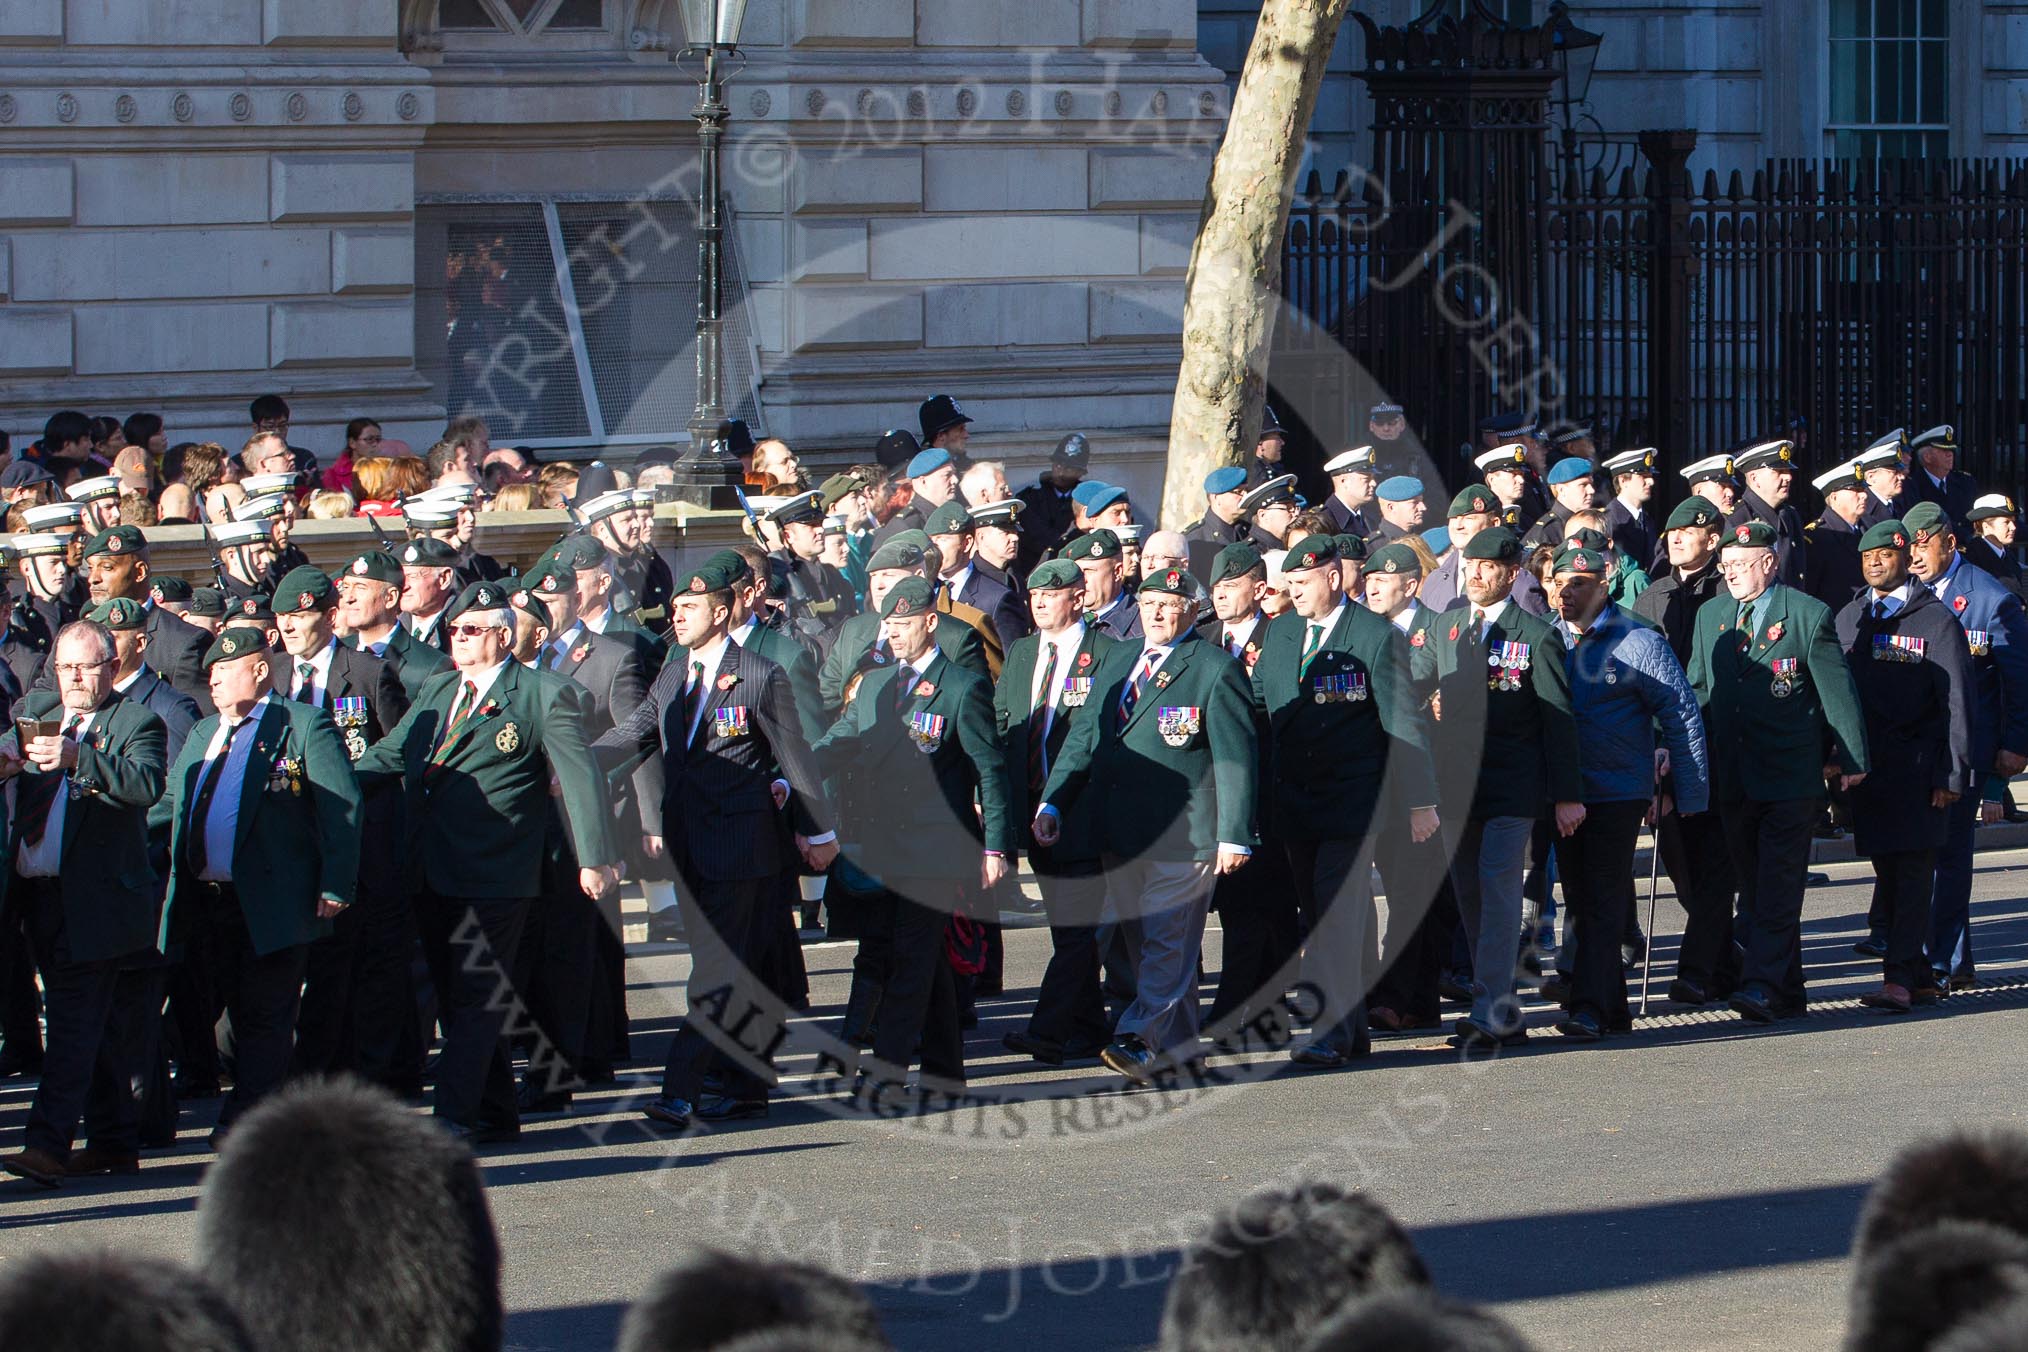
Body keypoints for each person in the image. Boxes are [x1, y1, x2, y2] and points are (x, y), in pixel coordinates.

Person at [351, 580, 619, 1143]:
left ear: (502, 635)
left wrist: (594, 857)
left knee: (476, 994)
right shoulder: (440, 689)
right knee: (455, 995)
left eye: (471, 630)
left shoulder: (541, 693)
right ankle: (496, 1113)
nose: (459, 638)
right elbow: (392, 754)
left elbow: (579, 776)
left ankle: (450, 1118)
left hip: (499, 871)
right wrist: (329, 785)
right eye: (454, 630)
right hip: (430, 868)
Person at [601, 557, 834, 1130]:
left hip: (742, 845)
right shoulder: (674, 672)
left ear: (723, 611)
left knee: (712, 968)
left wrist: (820, 830)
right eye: (676, 607)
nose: (677, 616)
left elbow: (794, 756)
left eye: (690, 608)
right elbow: (634, 734)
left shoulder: (758, 674)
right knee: (740, 968)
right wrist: (573, 762)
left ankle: (679, 1089)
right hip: (690, 843)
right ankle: (748, 1087)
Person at [1037, 565, 1257, 1082]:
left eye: (1169, 604)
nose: (1157, 612)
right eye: (1150, 602)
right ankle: (1178, 1055)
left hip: (1186, 836)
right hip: (1120, 834)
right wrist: (1053, 802)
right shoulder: (1117, 663)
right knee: (1147, 946)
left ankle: (1136, 1036)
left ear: (1189, 610)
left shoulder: (1212, 668)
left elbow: (1237, 758)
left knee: (1166, 941)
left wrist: (1235, 833)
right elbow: (1083, 738)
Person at [158, 626, 362, 1144]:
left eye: (224, 670)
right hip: (209, 900)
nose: (215, 680)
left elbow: (341, 805)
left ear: (259, 669)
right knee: (231, 1016)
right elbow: (172, 805)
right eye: (210, 672)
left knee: (268, 1013)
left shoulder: (301, 724)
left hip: (276, 899)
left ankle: (246, 1123)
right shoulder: (206, 733)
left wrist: (337, 881)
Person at [814, 576, 1011, 1098]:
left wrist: (996, 846)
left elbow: (989, 770)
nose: (892, 633)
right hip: (883, 845)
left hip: (935, 851)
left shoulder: (962, 686)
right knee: (918, 961)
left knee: (911, 959)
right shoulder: (877, 684)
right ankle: (947, 1073)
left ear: (929, 623)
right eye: (887, 623)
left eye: (902, 623)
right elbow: (841, 740)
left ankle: (888, 1074)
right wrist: (793, 770)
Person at [1251, 535, 1440, 1068]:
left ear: (1333, 578)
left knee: (1335, 916)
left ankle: (1330, 1029)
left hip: (1354, 802)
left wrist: (1420, 800)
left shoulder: (1375, 635)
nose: (1296, 592)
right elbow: (1261, 704)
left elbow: (1402, 722)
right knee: (1320, 917)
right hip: (1295, 800)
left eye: (1304, 583)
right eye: (1289, 584)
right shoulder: (1282, 629)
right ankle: (1352, 1030)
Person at [0, 621, 167, 1187]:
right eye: (66, 666)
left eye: (87, 666)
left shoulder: (135, 721)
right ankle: (115, 1142)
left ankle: (46, 1145)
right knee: (91, 1027)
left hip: (94, 903)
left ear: (111, 666)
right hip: (35, 894)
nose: (74, 678)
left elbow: (146, 785)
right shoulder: (36, 706)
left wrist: (78, 759)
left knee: (70, 1027)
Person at [1688, 520, 1869, 1023]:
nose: (1731, 576)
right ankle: (1789, 991)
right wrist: (1675, 750)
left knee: (1777, 884)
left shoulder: (1807, 615)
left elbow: (1837, 693)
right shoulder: (1712, 616)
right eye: (1725, 568)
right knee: (1754, 883)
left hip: (1790, 774)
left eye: (1741, 566)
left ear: (1769, 563)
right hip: (1735, 774)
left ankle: (1762, 985)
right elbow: (1698, 689)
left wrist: (1851, 758)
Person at [1418, 527, 1583, 1048]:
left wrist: (1567, 794)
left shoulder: (1535, 635)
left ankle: (1490, 1010)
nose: (1476, 574)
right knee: (1469, 895)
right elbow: (1410, 682)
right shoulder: (1444, 628)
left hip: (1512, 788)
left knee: (1498, 891)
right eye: (1470, 565)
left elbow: (1558, 719)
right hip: (1455, 786)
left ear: (1512, 575)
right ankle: (1503, 1011)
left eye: (1488, 567)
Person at [1544, 542, 1708, 1040]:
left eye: (1578, 584)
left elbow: (1680, 714)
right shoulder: (1548, 639)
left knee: (1600, 894)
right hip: (1566, 788)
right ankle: (1611, 1008)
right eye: (1558, 583)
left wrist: (1689, 791)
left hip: (1618, 789)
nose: (1565, 593)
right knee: (1578, 894)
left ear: (1604, 584)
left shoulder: (1638, 639)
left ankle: (1589, 1005)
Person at [267, 567, 415, 1092]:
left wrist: (341, 776)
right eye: (283, 616)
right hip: (288, 843)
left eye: (301, 616)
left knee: (356, 969)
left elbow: (401, 750)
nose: (289, 626)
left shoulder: (368, 672)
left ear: (330, 617)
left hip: (358, 845)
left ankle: (360, 1079)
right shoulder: (272, 669)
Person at [1832, 517, 1972, 1014]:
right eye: (1866, 556)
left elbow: (1956, 701)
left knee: (1912, 875)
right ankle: (1918, 976)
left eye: (1884, 555)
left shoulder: (1936, 620)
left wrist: (1952, 775)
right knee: (1889, 875)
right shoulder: (1849, 618)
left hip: (1919, 771)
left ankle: (1897, 979)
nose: (1874, 562)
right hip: (1870, 773)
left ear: (1904, 559)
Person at [1899, 501, 2028, 992]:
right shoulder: (1906, 593)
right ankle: (1954, 960)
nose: (1913, 556)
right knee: (1921, 853)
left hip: (1969, 749)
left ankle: (1944, 964)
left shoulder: (1990, 598)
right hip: (1916, 751)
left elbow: (2018, 682)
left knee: (1948, 854)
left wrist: (2015, 748)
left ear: (1950, 542)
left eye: (1923, 544)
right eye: (1907, 546)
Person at [996, 560, 1120, 1066]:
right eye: (1034, 595)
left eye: (1053, 593)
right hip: (1032, 807)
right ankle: (1089, 1030)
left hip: (1083, 812)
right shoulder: (1024, 652)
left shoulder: (1108, 653)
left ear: (1079, 597)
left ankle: (1048, 1032)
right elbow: (1005, 725)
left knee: (1075, 930)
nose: (1041, 602)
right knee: (1067, 927)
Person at [1632, 497, 1738, 1005]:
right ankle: (1729, 963)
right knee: (1682, 868)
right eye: (1670, 532)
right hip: (1664, 745)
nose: (1675, 539)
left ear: (1713, 539)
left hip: (1716, 744)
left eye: (1687, 532)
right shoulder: (1654, 598)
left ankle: (1697, 970)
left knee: (1716, 862)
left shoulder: (1731, 590)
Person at [79, 524, 212, 713]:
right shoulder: (76, 637)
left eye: (106, 567)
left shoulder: (184, 642)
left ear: (139, 572)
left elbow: (194, 725)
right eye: (91, 568)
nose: (93, 578)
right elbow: (43, 698)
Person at [1418, 485, 1550, 617]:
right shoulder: (1434, 581)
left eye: (1469, 518)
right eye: (1454, 518)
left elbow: (1537, 632)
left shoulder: (1520, 583)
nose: (1458, 526)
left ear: (1494, 523)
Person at [337, 548, 452, 698]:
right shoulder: (338, 651)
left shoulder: (431, 666)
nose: (348, 598)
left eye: (360, 588)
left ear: (390, 598)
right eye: (345, 588)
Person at [929, 500, 1024, 648]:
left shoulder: (996, 597)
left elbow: (1011, 661)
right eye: (931, 541)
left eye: (942, 539)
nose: (933, 548)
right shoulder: (925, 590)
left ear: (967, 543)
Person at [767, 491, 856, 641]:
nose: (821, 530)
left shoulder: (831, 573)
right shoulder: (776, 576)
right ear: (788, 536)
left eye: (820, 523)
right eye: (811, 525)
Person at [1727, 438, 1807, 589]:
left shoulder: (1790, 515)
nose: (1788, 477)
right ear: (1754, 478)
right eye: (1779, 471)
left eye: (1788, 470)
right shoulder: (1736, 519)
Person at [1015, 434, 1089, 571]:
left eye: (1069, 467)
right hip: (1031, 570)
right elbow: (1036, 537)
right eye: (1058, 464)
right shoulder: (1030, 499)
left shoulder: (1086, 500)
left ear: (1080, 472)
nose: (1061, 471)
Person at [1803, 459, 1870, 610]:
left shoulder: (1865, 529)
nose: (1864, 496)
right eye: (1855, 490)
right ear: (1834, 497)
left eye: (1864, 490)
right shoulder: (1817, 537)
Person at [871, 447, 959, 548]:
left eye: (954, 474)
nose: (955, 480)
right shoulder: (907, 525)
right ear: (923, 482)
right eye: (947, 475)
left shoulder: (945, 514)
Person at [1066, 527, 1141, 642]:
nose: (1082, 580)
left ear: (1117, 572)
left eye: (1089, 571)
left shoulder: (1143, 626)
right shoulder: (1060, 615)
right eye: (1078, 572)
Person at [1903, 424, 1978, 538]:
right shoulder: (1913, 485)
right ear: (1927, 457)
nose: (1950, 454)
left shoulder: (1965, 481)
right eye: (1943, 450)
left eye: (1951, 450)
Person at [1185, 465, 1253, 582]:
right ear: (1216, 498)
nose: (1246, 496)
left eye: (1246, 490)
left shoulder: (1249, 531)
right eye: (1238, 492)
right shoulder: (1195, 537)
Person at [398, 536, 460, 651]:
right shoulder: (391, 627)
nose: (404, 586)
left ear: (444, 578)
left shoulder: (464, 632)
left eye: (413, 576)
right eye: (401, 577)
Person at [1602, 447, 1660, 569]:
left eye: (1650, 475)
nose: (1651, 481)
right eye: (1643, 476)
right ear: (1623, 481)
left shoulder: (1646, 519)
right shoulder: (1608, 520)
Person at [1522, 457, 1596, 550]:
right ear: (1561, 490)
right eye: (1583, 485)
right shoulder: (1546, 532)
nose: (1591, 490)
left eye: (1591, 484)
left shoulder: (1593, 520)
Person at [1964, 494, 2024, 598]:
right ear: (1985, 525)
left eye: (2013, 521)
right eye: (2006, 522)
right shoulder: (1974, 559)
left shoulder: (2006, 555)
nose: (2013, 527)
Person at [1320, 446, 1380, 539]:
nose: (1374, 483)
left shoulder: (1371, 515)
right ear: (1344, 481)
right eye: (1366, 479)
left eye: (1373, 478)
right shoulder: (1324, 522)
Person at [1238, 474, 1301, 550]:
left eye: (1296, 508)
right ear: (1263, 515)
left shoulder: (1288, 545)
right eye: (1289, 509)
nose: (1296, 514)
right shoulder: (1249, 554)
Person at [1681, 451, 1741, 521]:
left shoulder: (1737, 524)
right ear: (1699, 492)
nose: (1731, 493)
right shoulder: (1686, 527)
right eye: (1722, 486)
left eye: (1731, 487)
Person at [1370, 476, 1427, 544]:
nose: (1423, 508)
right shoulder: (1375, 546)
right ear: (1391, 507)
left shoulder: (1423, 538)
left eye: (1421, 501)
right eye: (1414, 503)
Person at [1250, 405, 1290, 485]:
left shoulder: (1277, 470)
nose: (1282, 442)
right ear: (1259, 441)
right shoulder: (1251, 474)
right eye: (1277, 436)